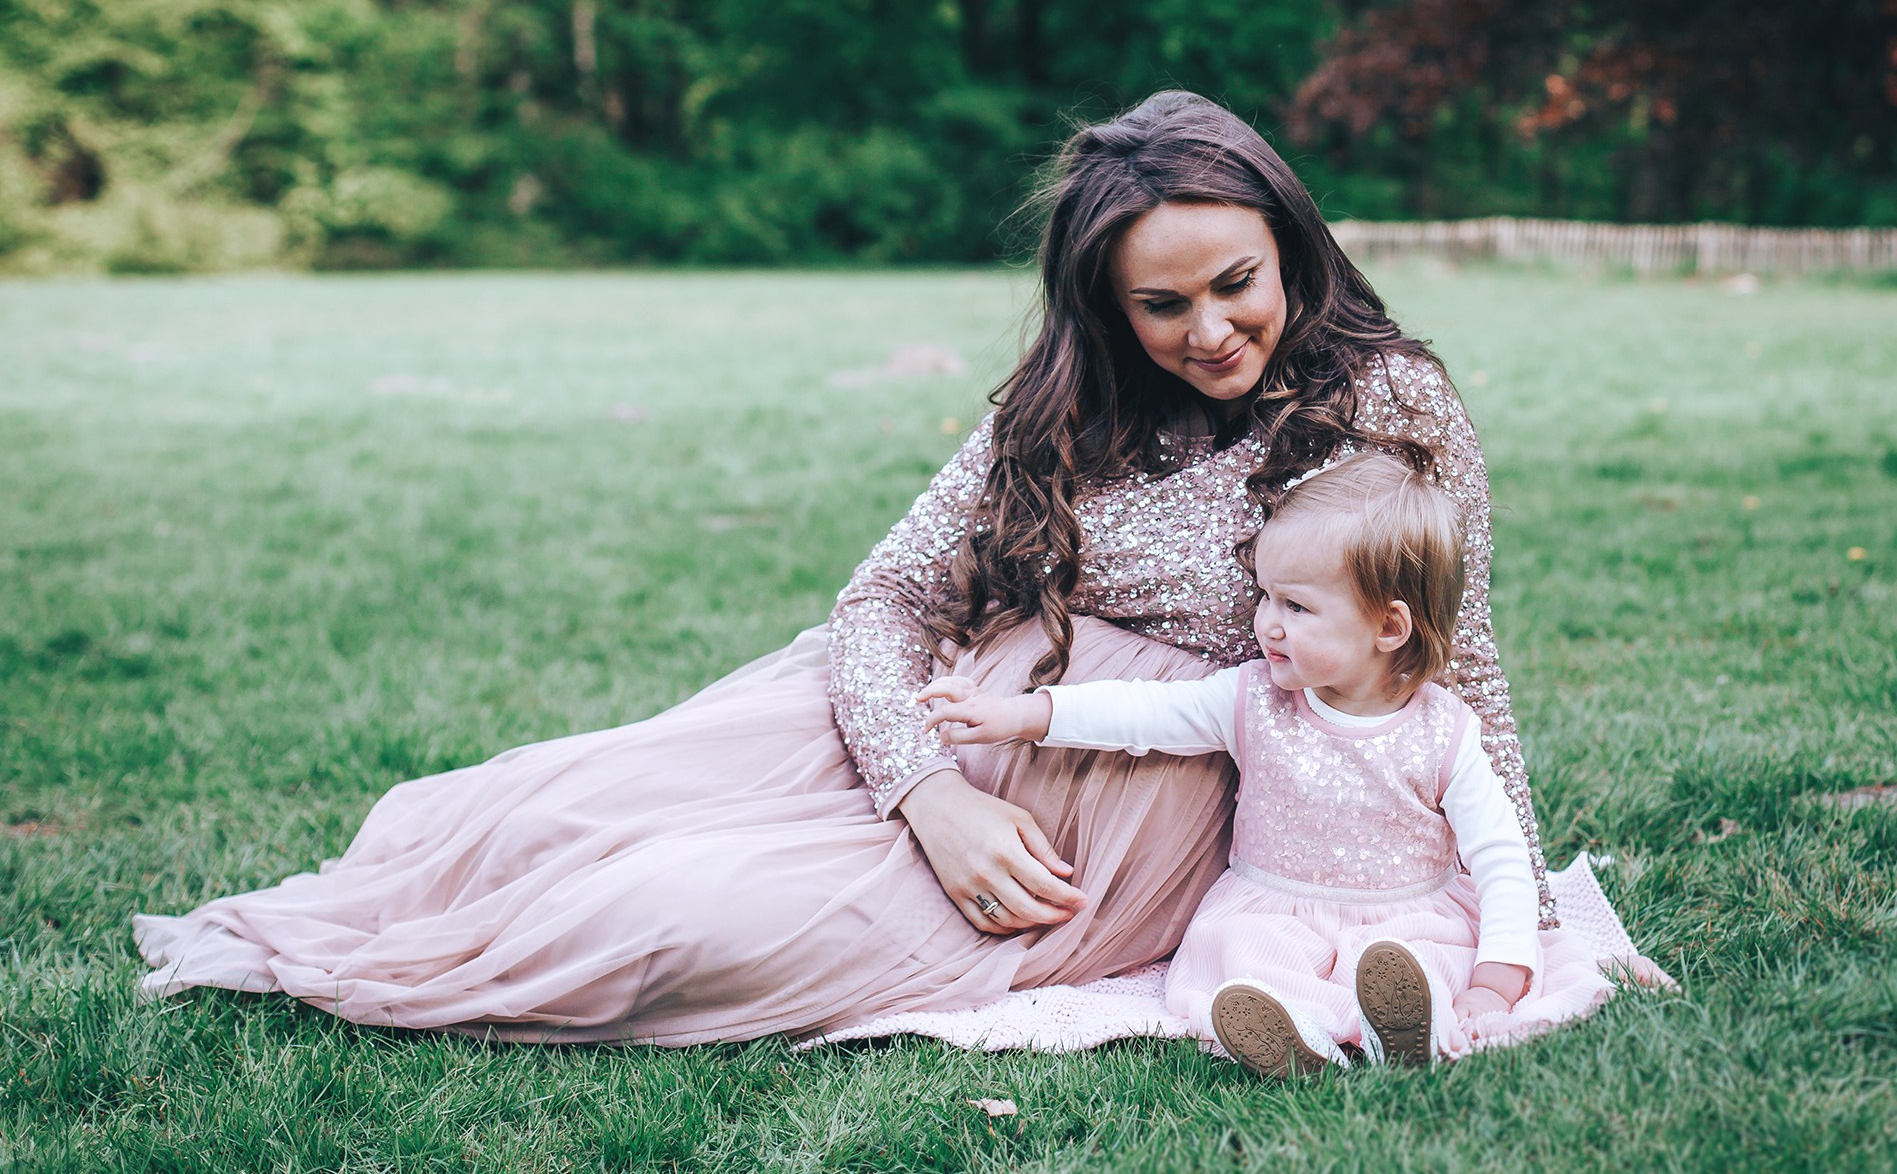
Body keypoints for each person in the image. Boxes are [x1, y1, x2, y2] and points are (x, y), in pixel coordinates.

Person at [133, 91, 1557, 1045]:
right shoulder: (1066, 407)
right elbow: (882, 601)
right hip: (928, 732)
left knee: (663, 922)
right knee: (528, 820)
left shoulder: (1393, 407)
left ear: (1290, 244)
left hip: (1127, 811)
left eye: (1235, 283)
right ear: (1107, 306)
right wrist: (927, 794)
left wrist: (1522, 912)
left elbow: (1458, 654)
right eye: (1161, 304)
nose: (1209, 330)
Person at [920, 451, 1611, 1076]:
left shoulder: (1445, 733)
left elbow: (1500, 857)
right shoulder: (1253, 700)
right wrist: (1021, 714)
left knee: (1424, 962)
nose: (1267, 623)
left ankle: (1403, 1023)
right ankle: (1296, 1036)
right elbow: (1143, 713)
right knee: (1245, 956)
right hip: (1275, 908)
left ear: (1388, 627)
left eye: (1297, 606)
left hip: (1407, 915)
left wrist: (1497, 977)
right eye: (1265, 596)